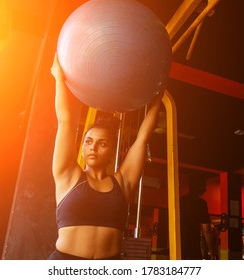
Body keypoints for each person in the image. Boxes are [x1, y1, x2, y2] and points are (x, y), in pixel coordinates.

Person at [47, 54, 163, 260]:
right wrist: (58, 77)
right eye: (88, 142)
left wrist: (159, 93)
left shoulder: (122, 182)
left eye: (102, 144)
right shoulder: (67, 175)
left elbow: (143, 137)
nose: (93, 148)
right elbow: (65, 121)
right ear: (82, 148)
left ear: (111, 151)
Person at [180, 181, 215, 260]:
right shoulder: (201, 203)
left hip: (177, 246)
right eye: (204, 186)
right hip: (193, 247)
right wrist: (211, 251)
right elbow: (207, 230)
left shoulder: (180, 201)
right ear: (199, 188)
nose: (205, 189)